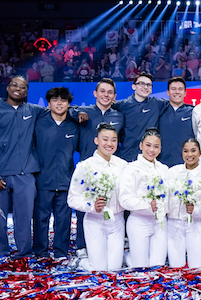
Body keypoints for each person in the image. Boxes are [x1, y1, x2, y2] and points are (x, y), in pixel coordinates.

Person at [0, 76, 46, 258]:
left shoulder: (34, 111)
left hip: (25, 175)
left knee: (24, 218)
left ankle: (24, 253)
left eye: (23, 87)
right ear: (8, 87)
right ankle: (0, 253)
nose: (18, 89)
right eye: (15, 85)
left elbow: (58, 109)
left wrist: (78, 111)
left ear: (27, 92)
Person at [68, 123, 128, 271]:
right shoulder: (85, 166)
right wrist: (91, 205)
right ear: (96, 141)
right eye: (105, 139)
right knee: (99, 270)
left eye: (113, 140)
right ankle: (82, 262)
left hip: (117, 221)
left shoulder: (123, 165)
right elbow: (72, 198)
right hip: (95, 222)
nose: (109, 144)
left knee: (114, 269)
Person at [75, 78, 124, 257]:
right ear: (95, 94)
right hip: (88, 167)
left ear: (115, 96)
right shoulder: (83, 112)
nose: (106, 95)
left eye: (109, 92)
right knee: (85, 204)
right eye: (102, 91)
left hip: (110, 168)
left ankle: (108, 242)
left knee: (109, 204)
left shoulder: (118, 116)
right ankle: (81, 245)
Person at [33, 87, 79, 260]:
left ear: (68, 104)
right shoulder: (39, 122)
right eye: (55, 100)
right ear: (49, 103)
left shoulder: (75, 125)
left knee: (63, 222)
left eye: (63, 100)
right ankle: (41, 252)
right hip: (43, 181)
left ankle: (61, 252)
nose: (59, 103)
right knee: (40, 220)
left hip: (66, 181)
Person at [119, 128, 170, 267]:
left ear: (160, 149)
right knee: (140, 268)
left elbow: (169, 196)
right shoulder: (131, 168)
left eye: (156, 146)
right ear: (141, 145)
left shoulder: (164, 169)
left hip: (159, 223)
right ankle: (129, 258)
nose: (151, 150)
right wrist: (147, 205)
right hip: (139, 221)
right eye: (148, 145)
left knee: (157, 266)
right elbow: (124, 199)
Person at [166, 139, 201, 268]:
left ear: (200, 153)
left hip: (196, 225)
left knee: (196, 267)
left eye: (193, 150)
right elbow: (164, 199)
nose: (189, 155)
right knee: (176, 266)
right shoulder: (172, 172)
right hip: (174, 224)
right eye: (186, 151)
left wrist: (196, 209)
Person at [113, 73, 169, 162]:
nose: (145, 87)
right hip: (126, 157)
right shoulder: (122, 105)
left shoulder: (156, 104)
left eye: (148, 85)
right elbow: (102, 107)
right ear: (134, 86)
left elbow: (176, 103)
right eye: (142, 84)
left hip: (148, 158)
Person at [158, 77, 195, 168]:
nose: (177, 92)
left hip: (186, 165)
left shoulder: (193, 112)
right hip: (162, 165)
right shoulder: (159, 110)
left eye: (180, 89)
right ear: (168, 92)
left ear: (185, 93)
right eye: (173, 89)